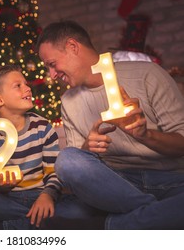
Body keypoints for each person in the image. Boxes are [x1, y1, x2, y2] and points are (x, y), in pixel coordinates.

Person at [37, 20, 184, 229]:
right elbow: (76, 167)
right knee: (66, 162)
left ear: (72, 46)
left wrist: (144, 135)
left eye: (52, 64)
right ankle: (153, 215)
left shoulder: (147, 74)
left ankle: (114, 226)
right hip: (114, 187)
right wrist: (88, 147)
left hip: (171, 181)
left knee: (67, 220)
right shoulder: (69, 100)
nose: (51, 75)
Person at [0, 64, 97, 229]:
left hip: (42, 195)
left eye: (25, 84)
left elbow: (54, 172)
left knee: (82, 210)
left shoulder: (42, 127)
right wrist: (3, 186)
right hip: (8, 199)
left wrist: (48, 195)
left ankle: (15, 225)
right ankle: (39, 221)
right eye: (18, 86)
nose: (27, 88)